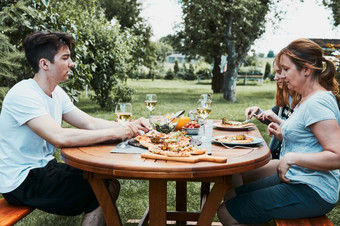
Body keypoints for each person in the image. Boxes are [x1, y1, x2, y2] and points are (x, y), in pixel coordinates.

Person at [0, 31, 150, 226]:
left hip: (44, 168)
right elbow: (59, 137)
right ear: (44, 64)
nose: (72, 63)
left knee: (105, 180)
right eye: (65, 58)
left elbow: (89, 123)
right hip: (21, 180)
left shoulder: (56, 92)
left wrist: (129, 126)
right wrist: (118, 132)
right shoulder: (23, 94)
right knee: (100, 188)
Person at [218, 38, 340, 225]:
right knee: (231, 195)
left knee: (226, 211)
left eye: (286, 69)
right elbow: (309, 141)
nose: (281, 76)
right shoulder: (306, 99)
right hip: (297, 178)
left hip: (313, 189)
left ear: (306, 70)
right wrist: (284, 134)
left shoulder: (317, 103)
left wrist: (291, 158)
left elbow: (337, 156)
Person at [245, 59, 300, 159]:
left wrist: (278, 122)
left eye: (280, 72)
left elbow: (301, 141)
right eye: (276, 73)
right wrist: (258, 112)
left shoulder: (305, 103)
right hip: (276, 155)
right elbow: (272, 117)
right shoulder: (286, 97)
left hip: (288, 161)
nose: (275, 77)